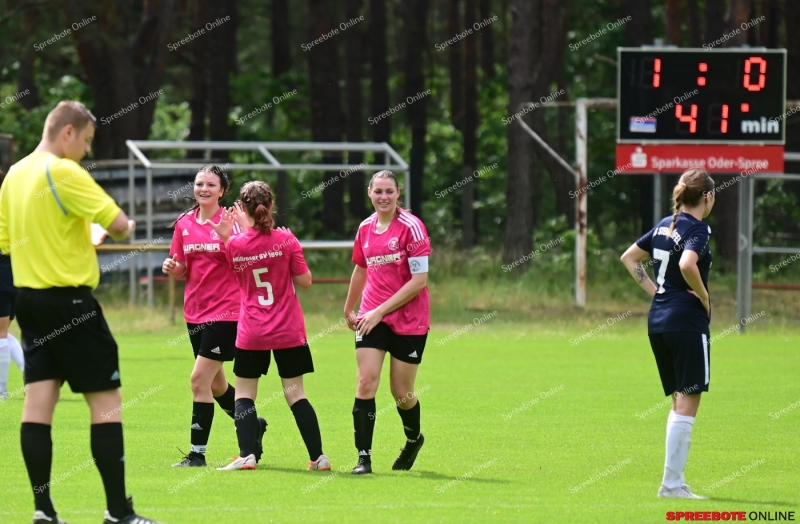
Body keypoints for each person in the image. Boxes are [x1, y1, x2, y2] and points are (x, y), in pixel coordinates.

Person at [0, 100, 161, 523]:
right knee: (106, 402)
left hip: (28, 302)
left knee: (38, 405)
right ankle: (117, 512)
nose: (87, 150)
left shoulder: (14, 175)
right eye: (87, 140)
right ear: (67, 132)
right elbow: (120, 223)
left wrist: (64, 237)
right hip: (70, 302)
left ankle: (43, 511)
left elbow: (7, 243)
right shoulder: (64, 171)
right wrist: (107, 228)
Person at [209, 181, 330, 471]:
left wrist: (229, 235)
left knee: (244, 394)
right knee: (296, 394)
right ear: (271, 205)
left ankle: (246, 455)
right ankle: (319, 458)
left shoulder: (235, 244)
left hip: (253, 331)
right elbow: (305, 281)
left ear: (242, 207)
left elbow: (238, 266)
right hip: (289, 329)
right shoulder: (287, 240)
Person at [162, 165, 267, 468]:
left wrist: (227, 238)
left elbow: (247, 259)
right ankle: (253, 425)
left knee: (199, 380)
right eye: (199, 184)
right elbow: (182, 267)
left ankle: (197, 455)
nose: (204, 189)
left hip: (227, 313)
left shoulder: (232, 222)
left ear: (222, 191)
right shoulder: (184, 224)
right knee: (216, 385)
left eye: (211, 185)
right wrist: (173, 268)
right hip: (194, 313)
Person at [620, 169, 715, 500]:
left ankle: (674, 482)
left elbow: (630, 258)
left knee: (678, 399)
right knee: (689, 398)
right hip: (685, 322)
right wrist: (704, 297)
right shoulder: (698, 228)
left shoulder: (665, 224)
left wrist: (657, 292)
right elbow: (688, 264)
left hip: (658, 321)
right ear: (707, 197)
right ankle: (671, 485)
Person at [343, 170, 431, 475]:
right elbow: (361, 268)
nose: (383, 197)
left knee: (401, 392)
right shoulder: (365, 228)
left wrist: (380, 311)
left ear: (398, 194)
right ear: (369, 193)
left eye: (389, 191)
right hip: (371, 317)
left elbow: (419, 281)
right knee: (366, 381)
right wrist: (350, 307)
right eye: (378, 191)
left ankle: (413, 439)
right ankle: (363, 459)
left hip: (410, 319)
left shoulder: (412, 227)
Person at [0, 168, 25, 399]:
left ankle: (1, 391)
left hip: (4, 276)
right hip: (16, 275)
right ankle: (31, 374)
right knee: (3, 332)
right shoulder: (14, 208)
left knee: (1, 333)